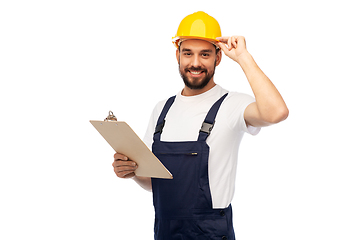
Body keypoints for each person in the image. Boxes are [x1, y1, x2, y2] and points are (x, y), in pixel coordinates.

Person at [112, 11, 288, 240]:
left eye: (205, 54)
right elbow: (154, 183)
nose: (195, 63)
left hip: (211, 233)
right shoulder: (162, 110)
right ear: (177, 55)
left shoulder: (231, 104)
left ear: (218, 57)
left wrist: (243, 57)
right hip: (165, 231)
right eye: (188, 53)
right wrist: (132, 172)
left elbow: (277, 112)